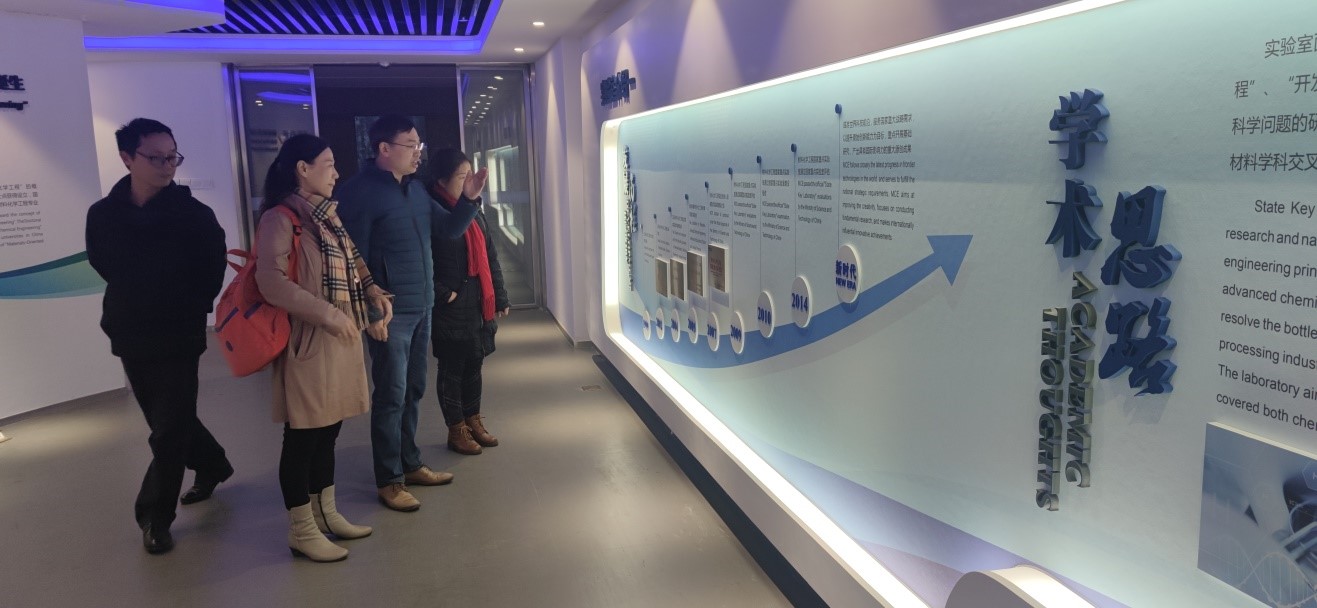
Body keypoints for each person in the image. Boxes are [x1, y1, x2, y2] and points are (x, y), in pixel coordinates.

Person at [85, 118, 233, 555]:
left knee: (168, 430)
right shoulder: (103, 214)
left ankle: (155, 517)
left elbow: (212, 269)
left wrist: (188, 306)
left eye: (173, 157)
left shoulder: (194, 215)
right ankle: (213, 464)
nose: (168, 166)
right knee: (169, 419)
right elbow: (103, 264)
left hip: (178, 334)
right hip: (130, 330)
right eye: (156, 158)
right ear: (127, 158)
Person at [336, 115, 486, 512]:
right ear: (384, 149)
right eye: (410, 145)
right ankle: (389, 479)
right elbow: (354, 260)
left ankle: (410, 462)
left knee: (414, 389)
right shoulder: (359, 193)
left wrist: (469, 200)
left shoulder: (416, 191)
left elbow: (450, 229)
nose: (418, 152)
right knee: (391, 394)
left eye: (419, 144)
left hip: (422, 306)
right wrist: (371, 312)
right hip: (389, 313)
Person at [253, 134, 389, 562]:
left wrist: (372, 294)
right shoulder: (280, 218)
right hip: (310, 340)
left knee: (328, 431)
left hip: (339, 337)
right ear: (302, 168)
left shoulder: (327, 216)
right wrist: (328, 315)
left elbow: (352, 265)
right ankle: (302, 529)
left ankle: (326, 513)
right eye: (328, 164)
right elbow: (270, 281)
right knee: (304, 436)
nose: (335, 172)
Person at [428, 149, 510, 456]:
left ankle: (473, 419)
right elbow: (422, 262)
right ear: (441, 180)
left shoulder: (474, 211)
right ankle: (456, 428)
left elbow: (490, 256)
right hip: (451, 305)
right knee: (452, 368)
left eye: (470, 175)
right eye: (462, 176)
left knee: (475, 363)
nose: (469, 182)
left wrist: (499, 295)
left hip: (477, 301)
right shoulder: (433, 214)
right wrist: (442, 292)